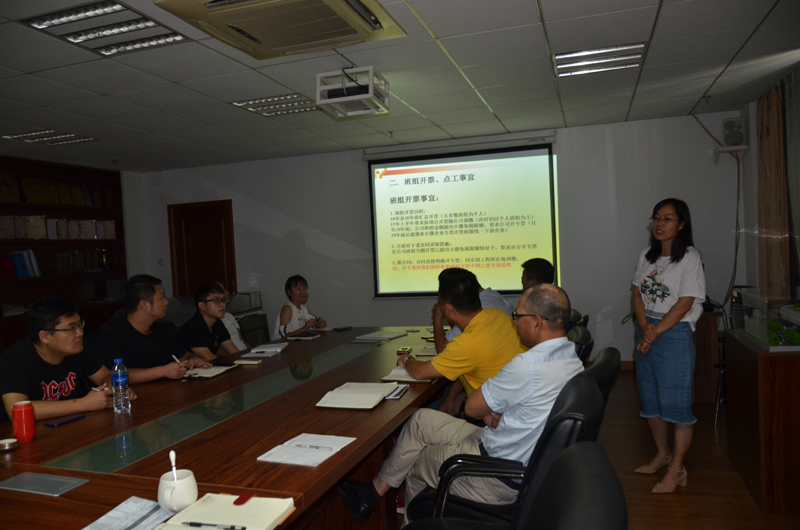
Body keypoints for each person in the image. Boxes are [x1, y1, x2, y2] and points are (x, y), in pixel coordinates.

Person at [337, 284, 582, 524]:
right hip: (503, 446)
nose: (514, 322)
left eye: (518, 316)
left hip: (494, 474)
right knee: (421, 419)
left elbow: (472, 408)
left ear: (537, 322)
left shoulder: (528, 365)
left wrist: (490, 410)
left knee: (417, 462)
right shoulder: (573, 360)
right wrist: (498, 411)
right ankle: (370, 495)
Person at [631, 198, 705, 494]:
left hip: (674, 334)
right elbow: (637, 294)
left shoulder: (689, 257)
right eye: (656, 217)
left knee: (676, 404)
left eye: (668, 218)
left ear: (681, 225)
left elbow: (686, 301)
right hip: (647, 329)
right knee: (649, 400)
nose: (659, 223)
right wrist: (644, 327)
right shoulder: (645, 256)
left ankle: (677, 467)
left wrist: (655, 331)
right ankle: (662, 454)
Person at [399, 268, 525, 416]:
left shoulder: (465, 344)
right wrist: (452, 398)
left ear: (448, 308)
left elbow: (420, 372)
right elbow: (469, 364)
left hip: (496, 416)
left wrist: (406, 359)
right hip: (516, 405)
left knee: (418, 416)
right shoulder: (497, 315)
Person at [0, 296, 138, 423]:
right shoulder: (15, 359)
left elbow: (105, 376)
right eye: (71, 328)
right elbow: (16, 409)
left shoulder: (76, 350)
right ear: (45, 336)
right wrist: (83, 404)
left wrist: (116, 390)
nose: (80, 333)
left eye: (79, 325)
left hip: (68, 426)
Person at [92, 275, 209, 384]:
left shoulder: (163, 329)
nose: (166, 302)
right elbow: (116, 375)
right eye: (161, 297)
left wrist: (190, 361)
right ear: (144, 305)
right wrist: (163, 371)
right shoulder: (111, 335)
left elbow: (181, 356)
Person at [177, 281, 241, 360]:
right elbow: (210, 361)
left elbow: (234, 353)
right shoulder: (192, 328)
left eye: (223, 300)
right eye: (216, 300)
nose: (222, 304)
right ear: (202, 305)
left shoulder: (217, 323)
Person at [272, 275, 327, 340]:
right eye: (298, 289)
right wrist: (304, 328)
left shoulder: (304, 309)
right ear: (289, 292)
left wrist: (319, 324)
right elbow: (284, 337)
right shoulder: (287, 309)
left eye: (305, 288)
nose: (303, 292)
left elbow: (313, 323)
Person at [215, 282, 250, 351]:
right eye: (222, 289)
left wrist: (253, 352)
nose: (227, 292)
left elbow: (241, 340)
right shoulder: (212, 322)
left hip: (242, 352)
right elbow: (220, 351)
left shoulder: (229, 316)